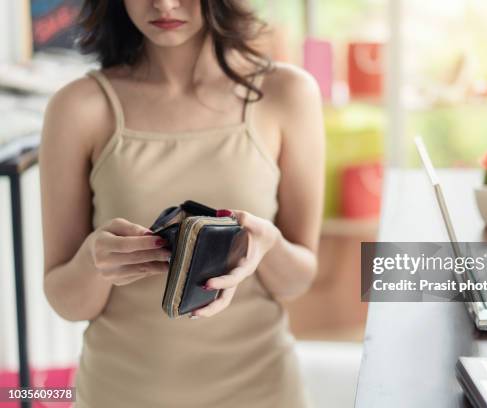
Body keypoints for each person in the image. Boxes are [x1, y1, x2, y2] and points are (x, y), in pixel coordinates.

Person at [38, 1, 325, 407]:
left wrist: (267, 245)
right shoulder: (78, 107)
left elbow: (297, 280)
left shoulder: (287, 94)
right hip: (119, 393)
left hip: (260, 390)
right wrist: (93, 261)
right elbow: (66, 301)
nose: (164, 3)